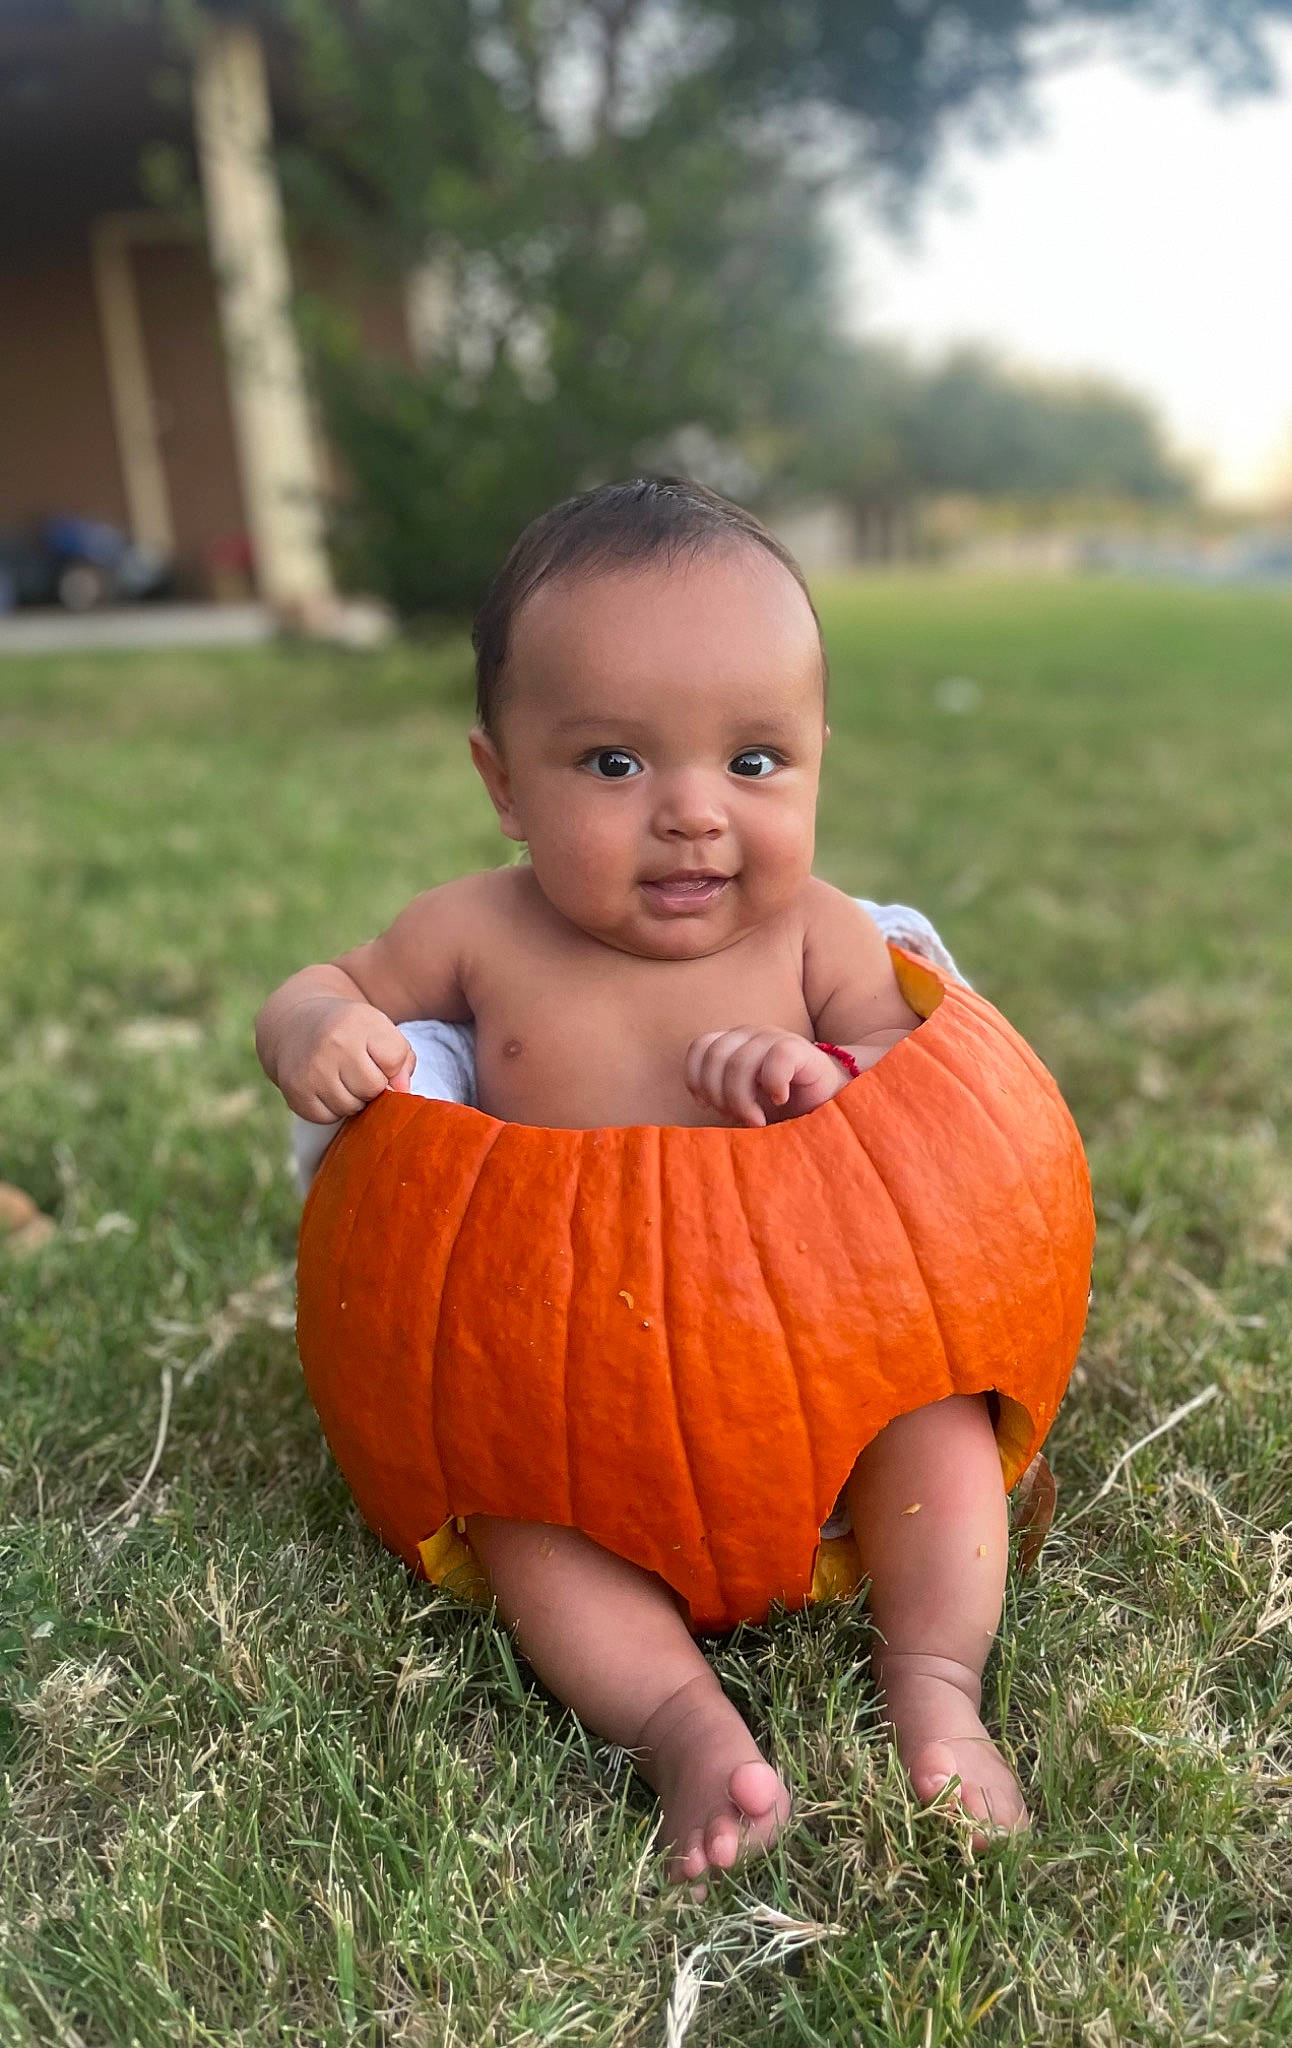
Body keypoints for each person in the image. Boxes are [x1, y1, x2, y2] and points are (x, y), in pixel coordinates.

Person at [255, 477, 1032, 1895]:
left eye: (753, 762)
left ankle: (935, 1685)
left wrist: (822, 1074)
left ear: (817, 762)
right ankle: (682, 1723)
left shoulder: (826, 936)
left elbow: (919, 1094)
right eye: (613, 766)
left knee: (943, 1423)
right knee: (517, 1522)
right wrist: (317, 1029)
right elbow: (325, 985)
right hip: (561, 1387)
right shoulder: (475, 936)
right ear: (503, 781)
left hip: (834, 1345)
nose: (690, 816)